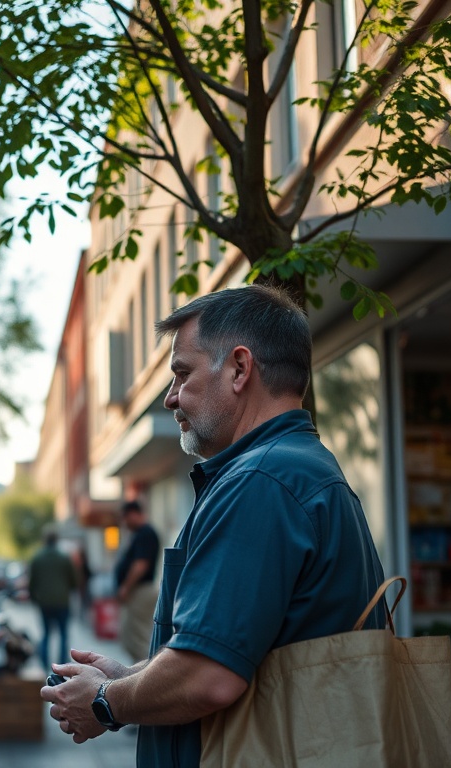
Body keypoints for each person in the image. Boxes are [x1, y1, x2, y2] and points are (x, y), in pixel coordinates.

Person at [41, 284, 386, 768]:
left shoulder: (261, 482)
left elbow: (210, 676)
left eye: (182, 373)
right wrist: (129, 677)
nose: (170, 397)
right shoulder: (295, 470)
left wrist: (105, 703)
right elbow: (237, 651)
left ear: (240, 369)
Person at [113, 499, 160, 662]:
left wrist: (126, 587)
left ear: (133, 514)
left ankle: (144, 680)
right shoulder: (141, 534)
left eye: (125, 517)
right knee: (130, 638)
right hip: (138, 591)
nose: (124, 523)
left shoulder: (145, 533)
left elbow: (141, 565)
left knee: (138, 640)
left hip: (140, 591)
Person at [28, 528, 79, 671]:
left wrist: (34, 598)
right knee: (63, 635)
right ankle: (62, 667)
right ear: (56, 540)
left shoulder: (37, 558)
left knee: (45, 634)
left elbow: (32, 582)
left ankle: (44, 664)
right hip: (62, 601)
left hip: (44, 602)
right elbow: (74, 581)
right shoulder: (64, 558)